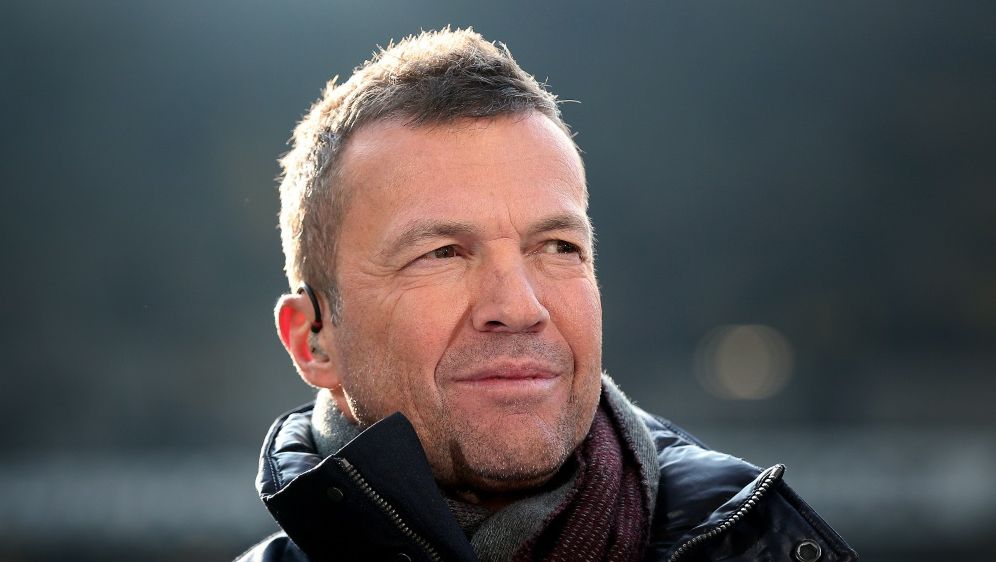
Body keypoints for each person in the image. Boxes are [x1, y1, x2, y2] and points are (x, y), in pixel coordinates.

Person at [235, 28, 857, 562]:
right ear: (313, 340)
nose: (520, 307)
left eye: (558, 247)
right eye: (442, 253)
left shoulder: (762, 539)